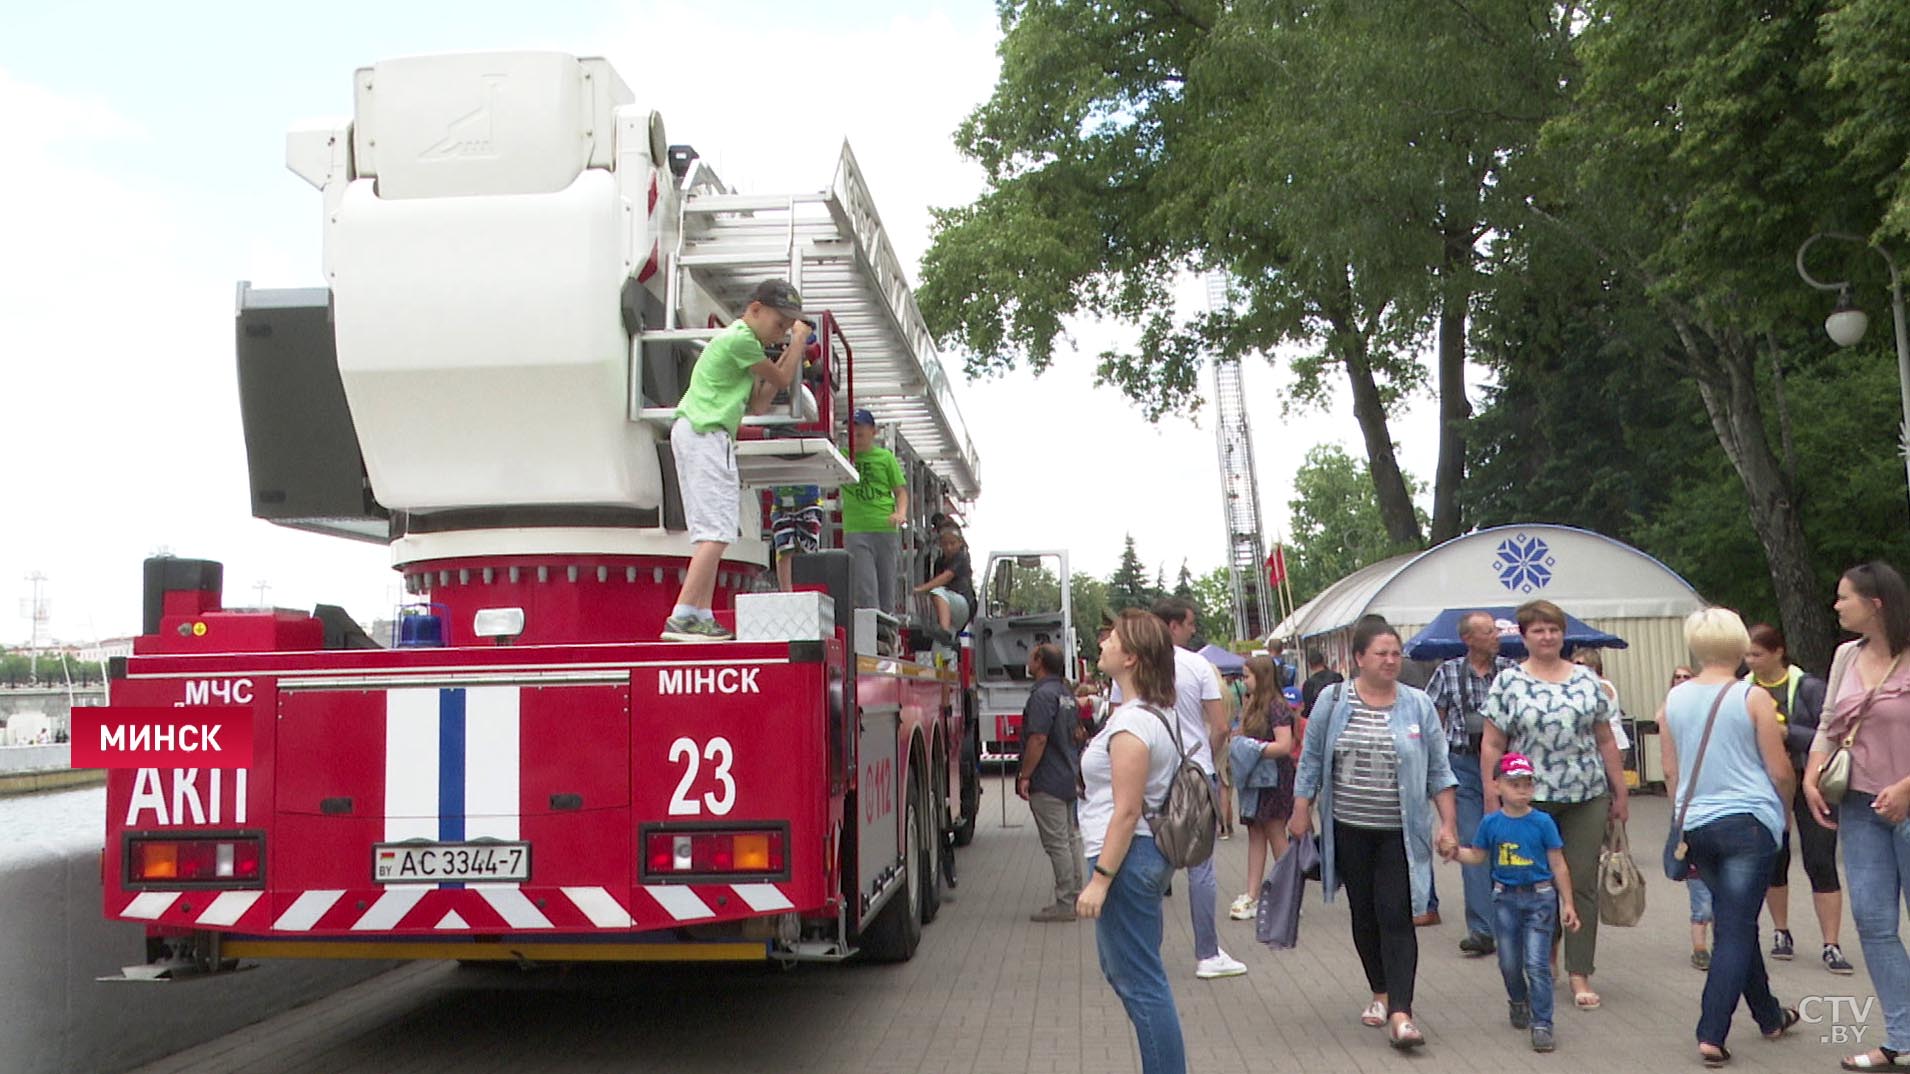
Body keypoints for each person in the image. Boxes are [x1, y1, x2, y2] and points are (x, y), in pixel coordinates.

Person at [1290, 618, 1459, 1050]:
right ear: (1358, 658)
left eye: (1394, 653)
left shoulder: (1417, 705)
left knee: (1397, 914)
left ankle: (1402, 1012)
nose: (1389, 661)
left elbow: (1440, 769)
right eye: (1380, 653)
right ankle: (1380, 991)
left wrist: (1449, 825)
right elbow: (1310, 760)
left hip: (1400, 833)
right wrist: (1300, 809)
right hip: (1348, 828)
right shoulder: (1333, 700)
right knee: (1364, 915)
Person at [1663, 607, 1800, 1067]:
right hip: (1748, 823)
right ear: (1740, 644)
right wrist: (1784, 810)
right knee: (1737, 929)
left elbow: (1669, 770)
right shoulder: (1753, 697)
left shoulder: (1674, 701)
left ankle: (1769, 1015)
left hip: (1697, 824)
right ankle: (1711, 1032)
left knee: (1733, 920)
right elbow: (1779, 769)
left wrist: (1680, 817)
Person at [1479, 599, 1629, 1012]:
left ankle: (1580, 971)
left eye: (1554, 629)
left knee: (1580, 883)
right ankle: (1542, 959)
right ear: (1524, 637)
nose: (1547, 637)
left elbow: (1604, 739)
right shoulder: (1509, 683)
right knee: (1537, 884)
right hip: (1529, 800)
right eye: (1538, 630)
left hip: (1585, 795)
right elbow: (1492, 742)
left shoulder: (1586, 680)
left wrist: (1619, 791)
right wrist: (1493, 794)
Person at [1805, 562, 1910, 1072]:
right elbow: (1829, 724)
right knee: (1873, 923)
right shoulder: (1846, 655)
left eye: (1844, 597)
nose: (1836, 605)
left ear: (1876, 603)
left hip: (1908, 802)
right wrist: (1811, 773)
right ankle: (1903, 1037)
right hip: (1861, 807)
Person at [1076, 609, 1189, 1074]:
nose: (1103, 643)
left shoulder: (1131, 726)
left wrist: (1100, 879)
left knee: (1140, 982)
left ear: (1132, 657)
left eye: (1112, 639)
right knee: (1133, 975)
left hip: (1126, 858)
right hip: (1143, 857)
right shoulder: (1154, 714)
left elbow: (1126, 810)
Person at [663, 279, 809, 641]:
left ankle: (699, 612)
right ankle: (683, 614)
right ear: (755, 309)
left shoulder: (748, 349)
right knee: (716, 531)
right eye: (779, 325)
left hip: (704, 434)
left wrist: (786, 348)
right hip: (706, 433)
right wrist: (799, 342)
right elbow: (782, 376)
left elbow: (759, 402)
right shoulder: (742, 338)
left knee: (714, 531)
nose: (781, 333)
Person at [1111, 597, 1243, 978]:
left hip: (1147, 771)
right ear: (1172, 626)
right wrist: (1207, 761)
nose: (1192, 631)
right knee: (1200, 865)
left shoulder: (1133, 663)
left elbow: (1118, 716)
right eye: (1188, 624)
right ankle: (1207, 953)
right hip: (1194, 774)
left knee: (1148, 862)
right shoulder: (1198, 664)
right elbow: (1219, 726)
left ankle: (1144, 953)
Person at [1457, 752, 1580, 1053]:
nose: (1522, 790)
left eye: (1527, 784)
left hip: (1540, 897)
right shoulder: (1491, 823)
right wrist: (1453, 852)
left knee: (1537, 963)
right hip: (1505, 899)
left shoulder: (1543, 822)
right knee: (1509, 962)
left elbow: (1558, 864)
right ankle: (1517, 999)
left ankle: (1542, 1023)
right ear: (1497, 786)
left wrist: (1568, 903)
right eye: (1514, 784)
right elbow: (1477, 856)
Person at [1743, 622, 1848, 974]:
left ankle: (1831, 943)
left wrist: (1787, 731)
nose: (1751, 661)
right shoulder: (1742, 689)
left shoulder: (1808, 687)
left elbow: (1830, 732)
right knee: (1776, 858)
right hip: (1766, 784)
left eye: (1757, 654)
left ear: (1778, 652)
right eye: (1747, 654)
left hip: (1811, 781)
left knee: (1820, 859)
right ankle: (1781, 932)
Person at [1425, 609, 1518, 956]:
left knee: (1511, 841)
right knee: (1474, 840)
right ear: (1468, 639)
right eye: (1488, 632)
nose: (1496, 636)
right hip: (1463, 764)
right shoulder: (1448, 672)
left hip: (1506, 768)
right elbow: (1434, 725)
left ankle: (1513, 921)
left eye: (1495, 630)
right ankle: (1482, 929)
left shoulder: (1511, 672)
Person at [1019, 642, 1084, 922]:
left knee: (1057, 843)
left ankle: (1065, 902)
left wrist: (1025, 775)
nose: (1028, 659)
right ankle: (1077, 895)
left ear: (1040, 661)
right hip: (1067, 776)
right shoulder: (1066, 693)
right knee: (1070, 840)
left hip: (1048, 779)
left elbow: (1038, 738)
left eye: (1032, 656)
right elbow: (1078, 733)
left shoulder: (1042, 696)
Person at [1227, 655, 1296, 921]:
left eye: (1247, 677)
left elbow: (1284, 745)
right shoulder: (1251, 704)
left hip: (1274, 778)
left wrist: (1251, 748)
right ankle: (1252, 894)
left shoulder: (1277, 707)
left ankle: (1289, 894)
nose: (1244, 682)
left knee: (1276, 832)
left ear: (1262, 677)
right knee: (1256, 832)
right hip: (1255, 779)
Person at [1658, 665, 1718, 970]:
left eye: (1686, 677)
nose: (1681, 682)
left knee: (1713, 889)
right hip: (1701, 806)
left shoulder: (1674, 715)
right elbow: (1669, 770)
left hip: (1694, 806)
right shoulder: (1670, 712)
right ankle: (1700, 947)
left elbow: (1669, 770)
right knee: (1701, 890)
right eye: (1676, 677)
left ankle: (1717, 946)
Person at [840, 408, 909, 615]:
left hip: (884, 527)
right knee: (865, 589)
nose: (856, 437)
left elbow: (900, 492)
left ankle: (888, 636)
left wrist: (901, 513)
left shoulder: (885, 458)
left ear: (873, 432)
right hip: (856, 529)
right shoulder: (842, 457)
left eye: (860, 432)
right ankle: (873, 638)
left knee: (887, 587)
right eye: (851, 433)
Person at [912, 524, 975, 634]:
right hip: (951, 605)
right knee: (940, 649)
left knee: (937, 592)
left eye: (952, 543)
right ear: (941, 544)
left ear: (960, 543)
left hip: (963, 604)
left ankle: (944, 631)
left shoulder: (961, 558)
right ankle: (946, 636)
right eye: (945, 544)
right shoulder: (940, 562)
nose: (949, 547)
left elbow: (946, 577)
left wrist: (921, 589)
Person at [1570, 647, 1633, 752]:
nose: (1576, 668)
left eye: (1580, 664)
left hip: (1612, 743)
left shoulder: (1599, 686)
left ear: (1593, 665)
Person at [770, 484, 825, 592]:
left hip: (810, 501)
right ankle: (787, 594)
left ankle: (810, 593)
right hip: (781, 504)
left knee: (809, 548)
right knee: (783, 549)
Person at [1301, 646, 1344, 722]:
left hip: (1319, 721)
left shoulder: (1309, 684)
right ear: (1323, 662)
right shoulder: (1337, 677)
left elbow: (1307, 709)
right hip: (1338, 718)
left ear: (1310, 665)